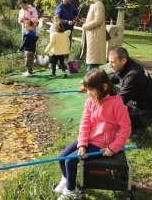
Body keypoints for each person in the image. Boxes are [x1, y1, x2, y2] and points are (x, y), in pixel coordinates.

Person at [54, 69, 131, 199]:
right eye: (87, 89)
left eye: (90, 89)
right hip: (88, 139)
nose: (88, 93)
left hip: (102, 144)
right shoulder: (91, 101)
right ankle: (67, 181)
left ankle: (71, 192)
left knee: (70, 161)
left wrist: (113, 148)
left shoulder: (117, 104)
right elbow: (85, 123)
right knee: (61, 157)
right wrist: (82, 144)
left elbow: (126, 128)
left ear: (104, 87)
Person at [108, 47, 152, 136]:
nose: (110, 65)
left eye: (113, 62)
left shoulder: (134, 74)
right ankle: (129, 127)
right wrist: (92, 85)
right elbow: (113, 79)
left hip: (144, 116)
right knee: (109, 88)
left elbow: (119, 101)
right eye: (110, 62)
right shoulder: (126, 65)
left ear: (123, 60)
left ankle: (137, 130)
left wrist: (101, 108)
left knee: (109, 116)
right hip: (133, 106)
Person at [80, 0, 107, 72]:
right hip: (92, 36)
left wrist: (86, 25)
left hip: (96, 37)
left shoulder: (99, 5)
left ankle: (91, 83)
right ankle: (91, 82)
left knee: (93, 63)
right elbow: (94, 19)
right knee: (92, 62)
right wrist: (86, 21)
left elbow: (98, 20)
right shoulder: (94, 5)